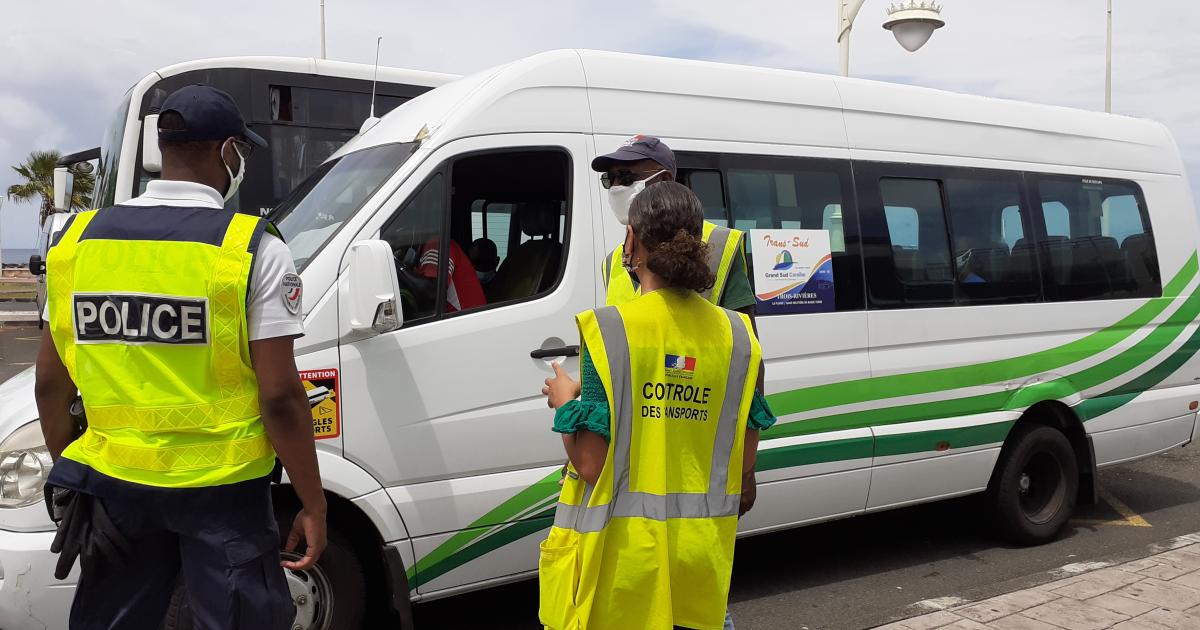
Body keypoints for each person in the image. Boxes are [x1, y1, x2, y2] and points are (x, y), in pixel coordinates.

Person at [35, 84, 325, 630]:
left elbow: (50, 384)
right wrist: (313, 503)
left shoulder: (74, 245)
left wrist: (74, 468)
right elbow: (281, 397)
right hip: (224, 494)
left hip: (116, 486)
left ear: (161, 152)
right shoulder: (250, 248)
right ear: (228, 153)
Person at [538, 183, 777, 630]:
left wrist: (565, 399)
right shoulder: (739, 339)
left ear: (632, 241)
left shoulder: (610, 332)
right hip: (699, 571)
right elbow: (742, 461)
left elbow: (592, 465)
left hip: (624, 570)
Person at [592, 135, 755, 313]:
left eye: (625, 177)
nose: (616, 187)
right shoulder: (612, 262)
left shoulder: (720, 245)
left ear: (664, 180)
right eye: (609, 179)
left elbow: (742, 334)